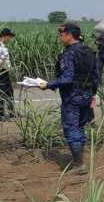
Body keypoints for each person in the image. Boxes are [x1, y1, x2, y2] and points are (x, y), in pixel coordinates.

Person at [39, 23, 98, 174]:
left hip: (73, 96)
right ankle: (79, 160)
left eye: (62, 34)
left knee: (72, 128)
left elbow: (67, 78)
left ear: (69, 35)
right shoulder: (89, 51)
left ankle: (79, 165)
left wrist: (48, 84)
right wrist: (93, 94)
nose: (60, 37)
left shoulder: (69, 54)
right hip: (86, 95)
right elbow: (96, 76)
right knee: (80, 127)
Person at [0, 28, 16, 121]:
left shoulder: (3, 45)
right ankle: (0, 115)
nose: (10, 39)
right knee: (0, 93)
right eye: (9, 37)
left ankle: (11, 112)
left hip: (5, 72)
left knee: (9, 92)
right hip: (0, 72)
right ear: (5, 37)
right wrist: (6, 68)